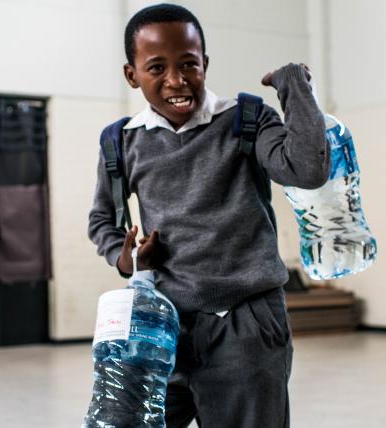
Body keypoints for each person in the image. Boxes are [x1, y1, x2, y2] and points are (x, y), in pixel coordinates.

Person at [88, 4, 330, 427]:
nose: (176, 81)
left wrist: (294, 88)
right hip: (162, 324)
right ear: (132, 75)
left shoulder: (246, 119)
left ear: (205, 63)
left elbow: (308, 170)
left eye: (189, 65)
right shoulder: (122, 142)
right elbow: (101, 221)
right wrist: (125, 259)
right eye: (157, 68)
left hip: (245, 324)